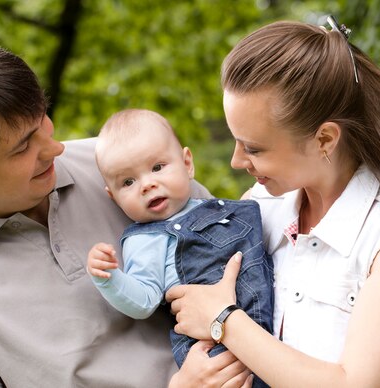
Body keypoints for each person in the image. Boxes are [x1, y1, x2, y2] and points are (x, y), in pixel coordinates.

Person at [0, 41, 252, 387]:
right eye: (23, 147)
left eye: (42, 119)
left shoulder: (118, 167)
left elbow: (235, 249)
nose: (55, 148)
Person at [166, 17, 380, 387]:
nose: (237, 161)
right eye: (237, 141)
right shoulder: (259, 208)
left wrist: (223, 319)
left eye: (254, 147)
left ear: (324, 139)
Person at [86, 109, 273, 381]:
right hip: (219, 352)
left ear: (187, 164)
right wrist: (108, 277)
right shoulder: (145, 240)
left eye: (157, 167)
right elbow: (144, 300)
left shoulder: (217, 208)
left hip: (273, 324)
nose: (147, 184)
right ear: (113, 198)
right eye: (128, 182)